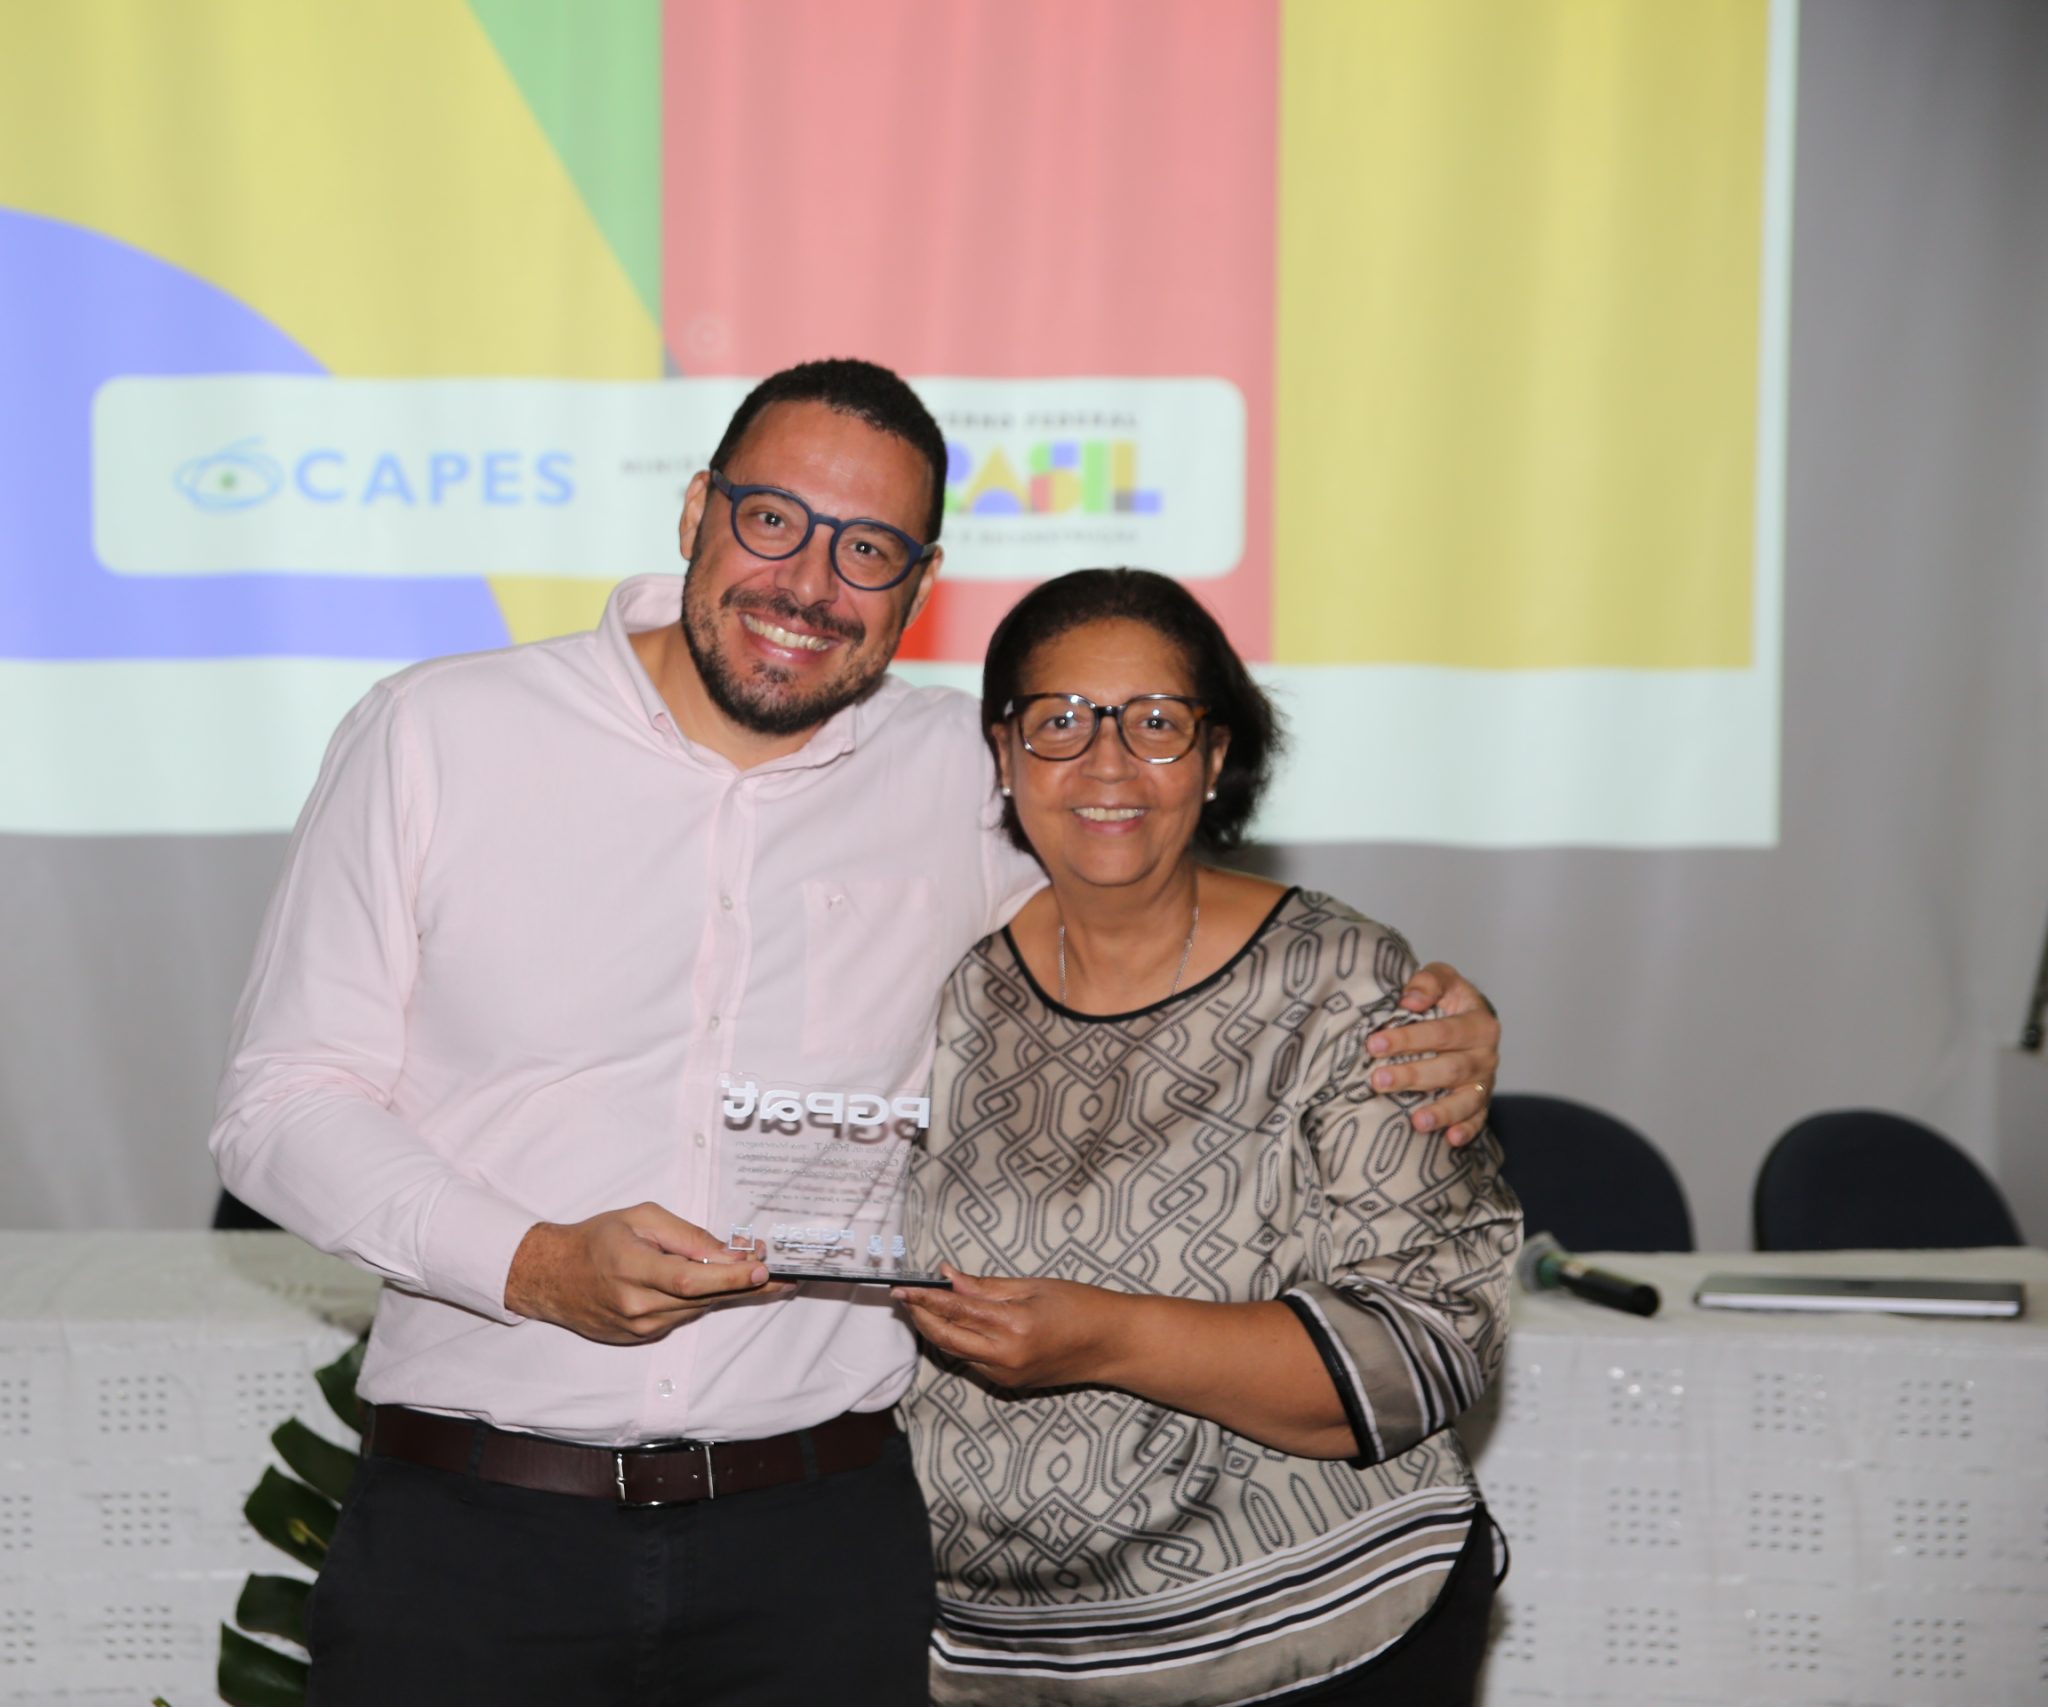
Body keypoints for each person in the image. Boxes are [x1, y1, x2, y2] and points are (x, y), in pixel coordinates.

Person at [207, 360, 1503, 1706]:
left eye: (868, 549)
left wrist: (1411, 1004)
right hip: (474, 1533)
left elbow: (1158, 914)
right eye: (773, 520)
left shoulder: (965, 773)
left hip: (816, 1549)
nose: (809, 582)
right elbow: (282, 1103)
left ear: (920, 582)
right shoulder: (438, 734)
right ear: (697, 509)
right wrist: (532, 1265)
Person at [894, 569, 1521, 1706]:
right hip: (992, 1662)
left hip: (1311, 1640)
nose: (1107, 763)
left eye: (1156, 722)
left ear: (1215, 755)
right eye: (1060, 721)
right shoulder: (927, 983)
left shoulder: (1343, 982)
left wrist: (1109, 1337)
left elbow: (1429, 1343)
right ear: (1003, 754)